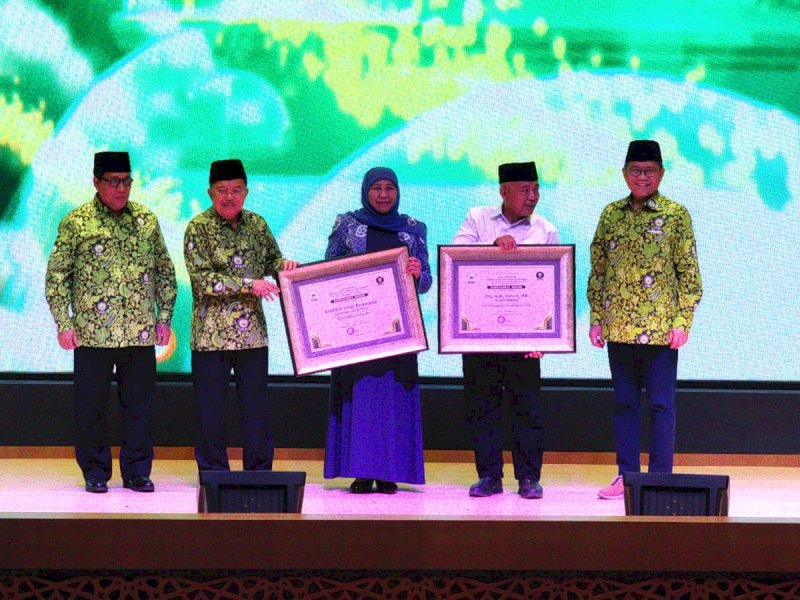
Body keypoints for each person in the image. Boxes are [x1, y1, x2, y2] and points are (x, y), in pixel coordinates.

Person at [45, 151, 177, 493]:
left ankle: (136, 471)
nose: (122, 189)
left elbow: (165, 271)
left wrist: (163, 317)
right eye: (114, 182)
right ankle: (95, 471)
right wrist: (63, 322)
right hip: (92, 334)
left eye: (127, 181)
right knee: (90, 407)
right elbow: (57, 276)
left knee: (139, 407)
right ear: (96, 182)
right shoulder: (76, 222)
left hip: (138, 332)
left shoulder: (146, 220)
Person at [588, 140, 702, 500]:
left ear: (661, 173)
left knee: (661, 405)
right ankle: (626, 476)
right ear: (624, 173)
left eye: (649, 171)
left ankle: (661, 479)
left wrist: (682, 321)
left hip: (661, 330)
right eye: (635, 171)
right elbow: (598, 271)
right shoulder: (610, 214)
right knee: (624, 403)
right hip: (618, 327)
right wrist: (596, 318)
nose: (642, 177)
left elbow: (690, 276)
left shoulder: (675, 215)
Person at [452, 161, 558, 499]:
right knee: (482, 406)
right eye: (525, 190)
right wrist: (492, 245)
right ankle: (489, 477)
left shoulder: (546, 229)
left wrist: (547, 337)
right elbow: (455, 259)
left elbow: (553, 288)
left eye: (536, 189)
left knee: (526, 408)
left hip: (526, 338)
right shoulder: (477, 219)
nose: (533, 197)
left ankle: (528, 478)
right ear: (504, 191)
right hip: (481, 334)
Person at [184, 159, 297, 472]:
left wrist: (286, 267)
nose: (229, 197)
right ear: (210, 193)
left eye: (236, 190)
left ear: (246, 192)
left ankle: (259, 473)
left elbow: (274, 260)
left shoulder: (257, 225)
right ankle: (213, 474)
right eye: (222, 190)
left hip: (252, 338)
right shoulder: (198, 228)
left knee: (256, 410)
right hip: (210, 339)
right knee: (210, 412)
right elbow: (202, 280)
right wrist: (251, 285)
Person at [324, 166, 431, 494]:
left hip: (398, 332)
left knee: (392, 400)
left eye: (390, 188)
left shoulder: (413, 229)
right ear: (365, 191)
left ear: (398, 192)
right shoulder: (347, 224)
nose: (384, 194)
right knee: (361, 398)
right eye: (377, 188)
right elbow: (328, 271)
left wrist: (417, 272)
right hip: (355, 333)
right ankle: (360, 471)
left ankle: (389, 472)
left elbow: (426, 281)